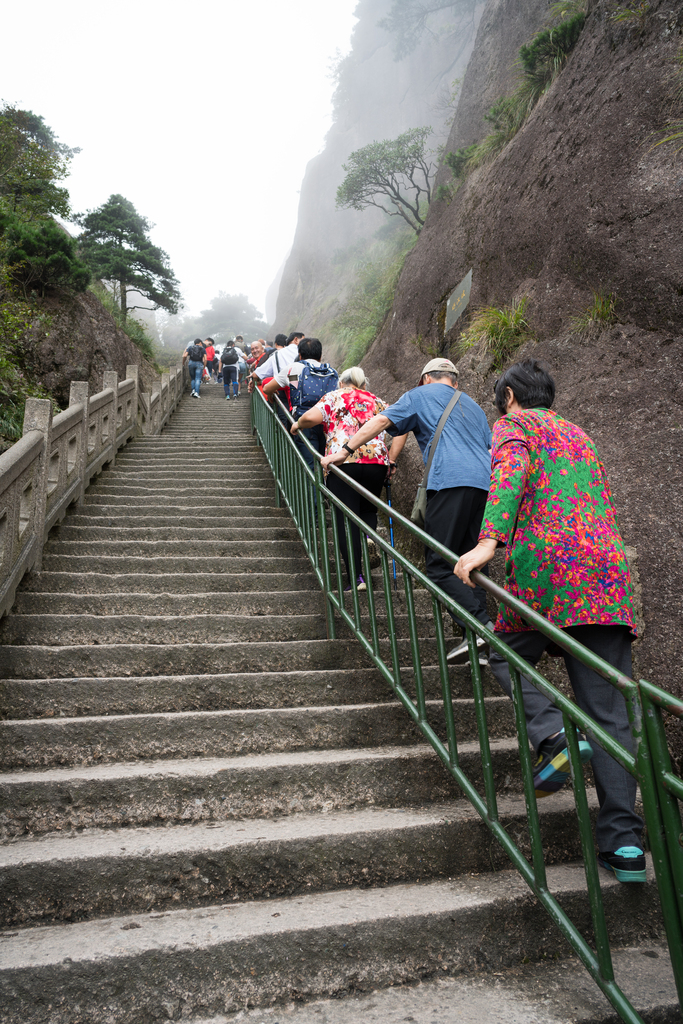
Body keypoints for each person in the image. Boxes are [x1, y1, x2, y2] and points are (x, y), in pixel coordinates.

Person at [454, 359, 645, 883]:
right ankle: (625, 847)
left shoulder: (514, 426)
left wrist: (487, 542)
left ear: (511, 395)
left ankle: (554, 734)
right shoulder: (581, 436)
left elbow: (510, 474)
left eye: (500, 401)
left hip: (545, 571)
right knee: (610, 716)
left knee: (504, 650)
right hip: (605, 576)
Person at [321, 357, 493, 658]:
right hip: (486, 487)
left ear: (426, 378)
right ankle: (477, 639)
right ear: (454, 381)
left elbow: (381, 421)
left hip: (449, 482)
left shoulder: (419, 395)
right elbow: (490, 449)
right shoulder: (474, 407)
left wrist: (344, 451)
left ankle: (481, 627)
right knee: (472, 563)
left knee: (440, 566)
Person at [293, 366, 397, 591]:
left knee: (343, 519)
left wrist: (297, 424)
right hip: (376, 463)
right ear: (363, 384)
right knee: (368, 510)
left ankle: (357, 578)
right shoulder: (376, 401)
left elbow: (310, 417)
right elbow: (402, 427)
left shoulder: (334, 396)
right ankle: (368, 536)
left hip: (343, 464)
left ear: (341, 383)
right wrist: (393, 459)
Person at [264, 337, 338, 474]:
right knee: (327, 464)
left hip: (304, 422)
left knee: (311, 467)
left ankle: (313, 495)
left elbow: (267, 388)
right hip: (328, 423)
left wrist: (271, 393)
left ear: (300, 355)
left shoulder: (294, 369)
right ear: (320, 355)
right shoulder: (330, 371)